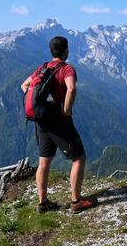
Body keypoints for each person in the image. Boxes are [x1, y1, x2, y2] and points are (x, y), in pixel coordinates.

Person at [21, 36, 97, 214]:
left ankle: (43, 203)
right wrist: (66, 109)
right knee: (79, 158)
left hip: (41, 121)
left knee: (44, 162)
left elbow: (24, 85)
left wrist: (41, 105)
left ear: (51, 51)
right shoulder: (67, 69)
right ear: (66, 51)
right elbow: (71, 88)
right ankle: (76, 201)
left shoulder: (43, 68)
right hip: (59, 121)